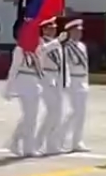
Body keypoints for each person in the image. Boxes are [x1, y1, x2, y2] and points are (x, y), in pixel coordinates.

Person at [3, 27, 67, 157]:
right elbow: (14, 69)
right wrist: (8, 88)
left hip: (35, 83)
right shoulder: (20, 50)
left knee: (31, 116)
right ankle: (27, 147)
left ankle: (17, 142)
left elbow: (42, 57)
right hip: (23, 82)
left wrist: (48, 80)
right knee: (30, 116)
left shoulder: (37, 49)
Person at [35, 17, 68, 154]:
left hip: (57, 77)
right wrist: (56, 41)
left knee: (58, 113)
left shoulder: (57, 44)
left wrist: (66, 80)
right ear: (44, 29)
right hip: (46, 77)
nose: (54, 30)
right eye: (51, 28)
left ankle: (52, 144)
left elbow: (61, 63)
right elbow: (41, 52)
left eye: (54, 28)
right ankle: (38, 141)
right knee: (51, 111)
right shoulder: (40, 41)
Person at [62, 19, 89, 152]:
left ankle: (77, 141)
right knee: (73, 112)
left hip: (82, 80)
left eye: (80, 31)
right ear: (70, 32)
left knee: (81, 113)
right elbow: (65, 66)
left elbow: (85, 67)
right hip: (72, 80)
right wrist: (66, 83)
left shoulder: (82, 46)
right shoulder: (66, 47)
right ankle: (61, 136)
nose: (79, 33)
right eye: (76, 31)